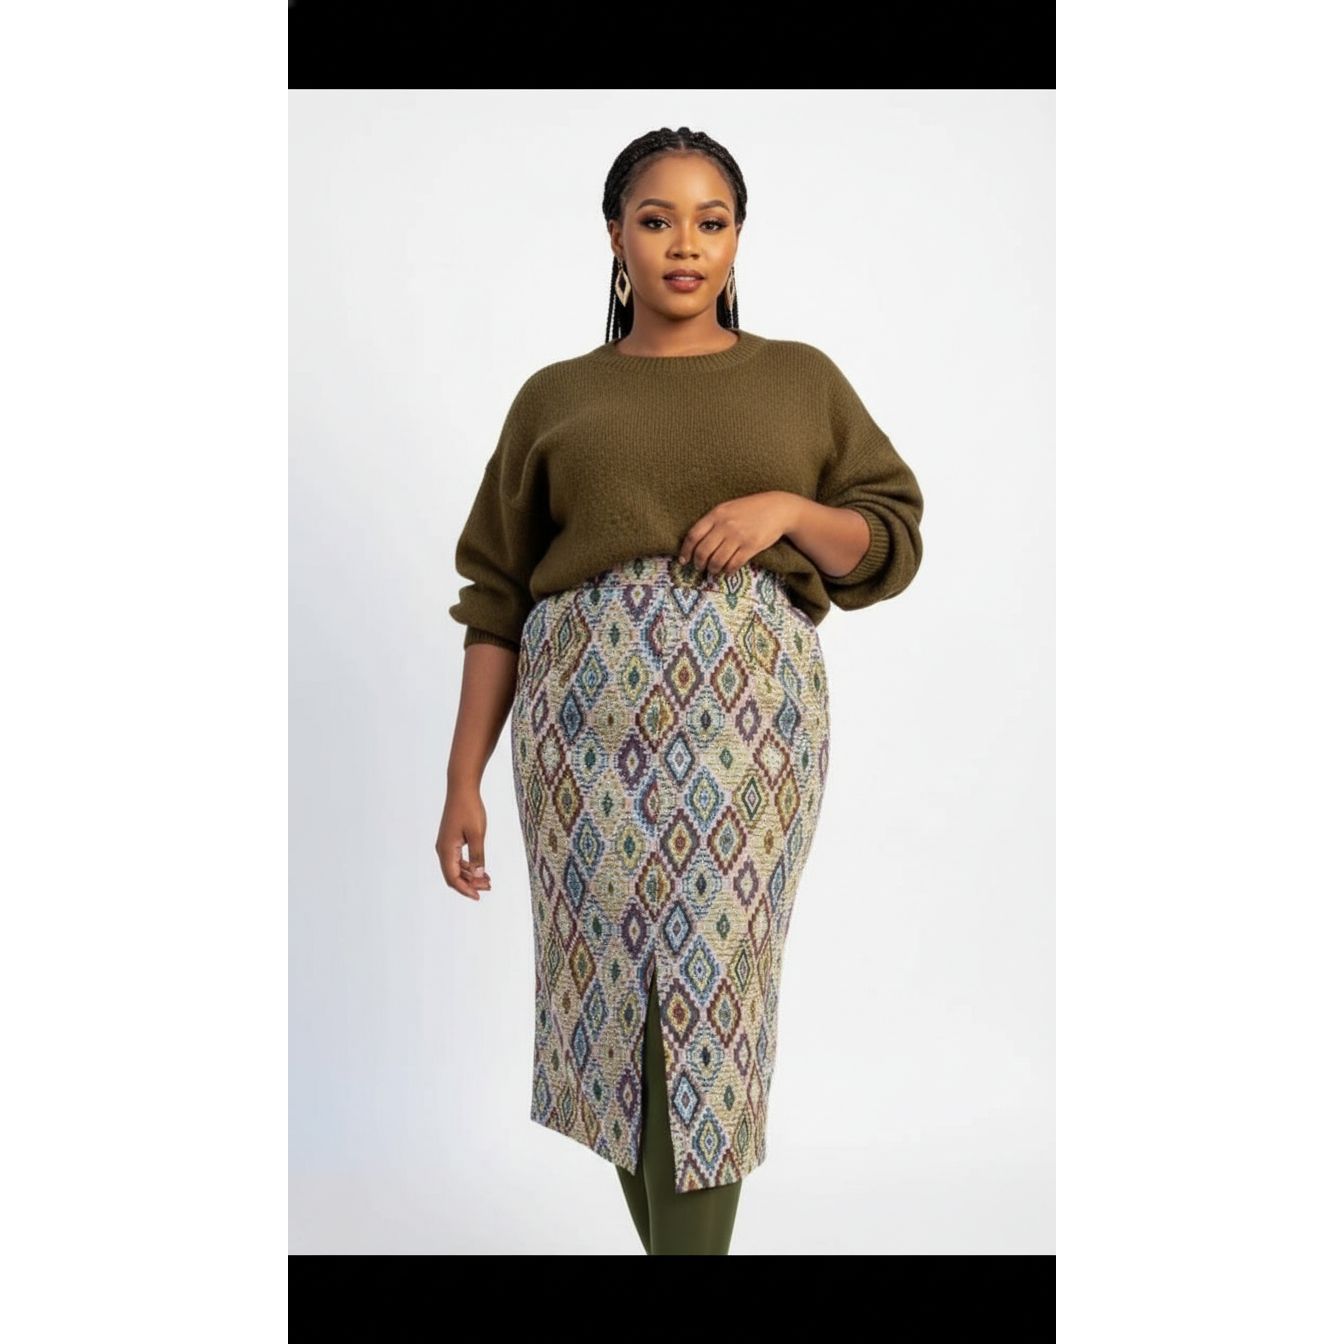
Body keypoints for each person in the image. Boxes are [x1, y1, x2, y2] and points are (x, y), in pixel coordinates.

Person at [435, 125, 925, 1254]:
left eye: (712, 221)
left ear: (740, 238)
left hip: (748, 739)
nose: (685, 245)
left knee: (711, 1013)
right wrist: (463, 779)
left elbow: (889, 538)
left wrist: (787, 511)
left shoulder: (800, 380)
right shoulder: (556, 396)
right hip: (580, 741)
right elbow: (497, 593)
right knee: (618, 1014)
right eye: (657, 220)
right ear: (616, 236)